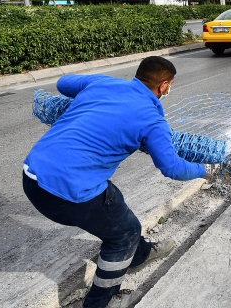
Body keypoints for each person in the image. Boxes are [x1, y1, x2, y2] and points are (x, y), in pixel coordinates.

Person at [22, 56, 217, 308]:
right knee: (123, 235)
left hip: (32, 175)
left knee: (114, 202)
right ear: (164, 86)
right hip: (68, 193)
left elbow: (63, 83)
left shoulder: (102, 83)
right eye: (169, 86)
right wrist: (205, 169)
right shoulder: (152, 121)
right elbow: (172, 167)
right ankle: (101, 303)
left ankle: (140, 254)